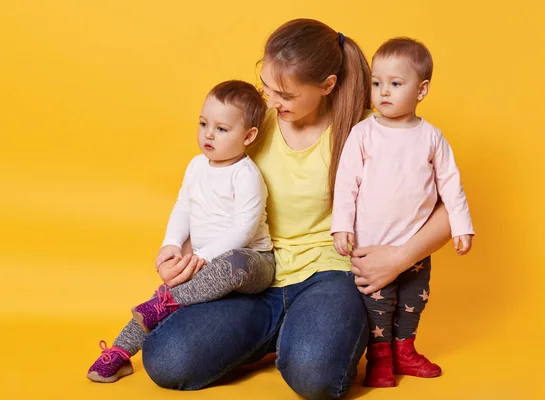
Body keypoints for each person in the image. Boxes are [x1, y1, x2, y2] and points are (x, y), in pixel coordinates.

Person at [143, 20, 452, 399]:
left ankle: (303, 335)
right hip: (260, 275)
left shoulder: (371, 131)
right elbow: (207, 193)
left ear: (327, 85)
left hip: (332, 277)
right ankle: (275, 338)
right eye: (267, 87)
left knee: (314, 376)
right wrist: (181, 249)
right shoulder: (253, 125)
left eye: (285, 95)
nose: (272, 102)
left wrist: (398, 258)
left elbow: (449, 209)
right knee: (166, 360)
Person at [86, 80, 275, 383]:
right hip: (202, 264)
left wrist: (200, 257)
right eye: (203, 124)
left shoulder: (246, 175)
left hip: (252, 263)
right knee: (169, 290)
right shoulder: (196, 166)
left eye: (221, 129)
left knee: (231, 265)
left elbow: (243, 229)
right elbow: (183, 207)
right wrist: (172, 244)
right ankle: (122, 352)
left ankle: (168, 302)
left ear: (249, 135)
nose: (208, 134)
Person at [331, 37, 475, 387]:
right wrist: (341, 226)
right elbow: (346, 182)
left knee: (412, 298)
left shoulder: (431, 138)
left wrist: (461, 227)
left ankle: (405, 351)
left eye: (396, 84)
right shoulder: (364, 133)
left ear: (421, 89)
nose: (384, 92)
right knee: (378, 303)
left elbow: (451, 185)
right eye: (378, 83)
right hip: (373, 243)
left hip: (414, 244)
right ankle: (379, 357)